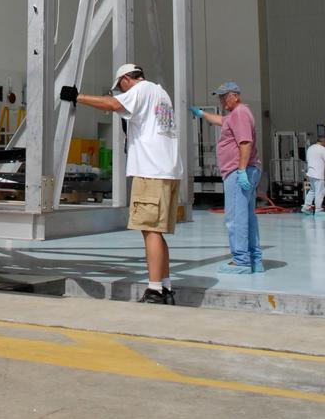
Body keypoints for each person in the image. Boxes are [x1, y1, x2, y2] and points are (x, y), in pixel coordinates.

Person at [60, 63, 181, 305]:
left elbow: (113, 104)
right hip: (167, 171)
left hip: (150, 171)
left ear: (126, 79)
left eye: (120, 86)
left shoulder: (141, 90)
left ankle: (155, 290)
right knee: (156, 231)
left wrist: (78, 96)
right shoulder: (161, 93)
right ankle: (165, 285)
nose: (121, 91)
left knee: (150, 230)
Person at [190, 81, 262, 273]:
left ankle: (241, 261)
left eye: (224, 96)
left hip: (239, 172)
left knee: (235, 218)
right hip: (244, 170)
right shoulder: (235, 115)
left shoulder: (239, 113)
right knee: (247, 217)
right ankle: (254, 259)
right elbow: (222, 121)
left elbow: (245, 142)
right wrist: (201, 114)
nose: (221, 100)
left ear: (235, 96)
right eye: (220, 97)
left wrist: (241, 170)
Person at [301, 131, 325, 215]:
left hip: (310, 173)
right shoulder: (323, 149)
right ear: (323, 141)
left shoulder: (310, 148)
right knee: (320, 192)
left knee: (312, 191)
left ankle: (306, 207)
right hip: (319, 174)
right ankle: (318, 210)